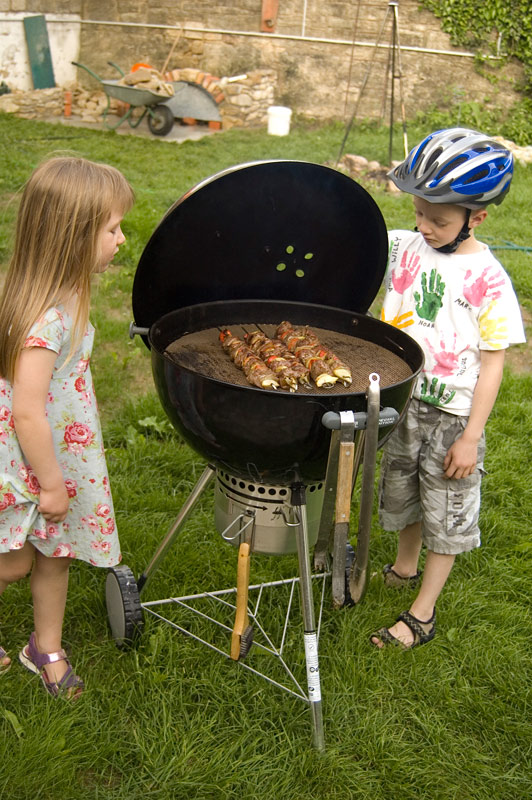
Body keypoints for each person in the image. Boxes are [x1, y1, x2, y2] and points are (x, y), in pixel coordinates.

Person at [371, 128, 526, 649]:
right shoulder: (406, 246)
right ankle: (403, 567)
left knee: (446, 512)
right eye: (418, 213)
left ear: (476, 218)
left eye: (438, 220)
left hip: (453, 418)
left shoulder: (489, 278)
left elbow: (494, 363)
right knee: (404, 496)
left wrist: (470, 435)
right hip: (403, 404)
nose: (425, 227)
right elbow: (355, 241)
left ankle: (422, 613)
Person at [0, 156, 134, 694]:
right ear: (72, 237)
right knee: (11, 563)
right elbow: (27, 410)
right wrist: (52, 482)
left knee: (57, 553)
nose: (122, 240)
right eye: (112, 228)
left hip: (59, 451)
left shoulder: (68, 293)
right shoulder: (44, 318)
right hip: (30, 459)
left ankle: (45, 646)